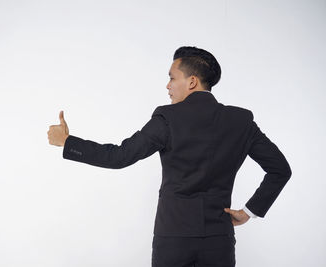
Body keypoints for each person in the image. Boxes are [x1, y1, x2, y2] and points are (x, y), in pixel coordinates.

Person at [47, 46, 292, 267]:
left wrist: (67, 142)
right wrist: (249, 211)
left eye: (172, 78)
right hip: (219, 239)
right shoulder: (241, 121)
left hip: (173, 239)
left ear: (192, 81)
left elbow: (119, 157)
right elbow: (280, 169)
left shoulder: (167, 118)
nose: (167, 86)